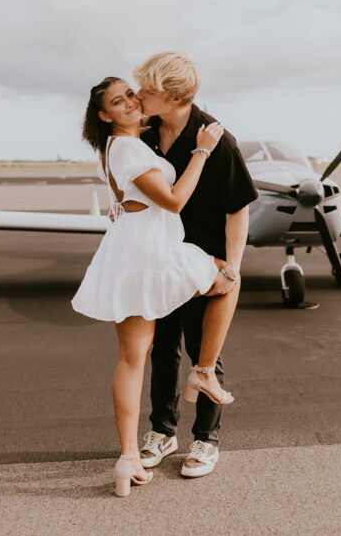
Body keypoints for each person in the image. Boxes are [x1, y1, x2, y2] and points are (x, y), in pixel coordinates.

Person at [71, 75, 241, 498]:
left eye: (131, 94)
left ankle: (129, 456)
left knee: (133, 359)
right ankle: (203, 373)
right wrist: (201, 150)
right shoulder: (128, 147)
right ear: (104, 114)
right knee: (228, 275)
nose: (130, 102)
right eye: (118, 101)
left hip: (128, 250)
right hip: (151, 252)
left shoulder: (116, 146)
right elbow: (174, 201)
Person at [134, 52, 257, 479]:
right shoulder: (144, 134)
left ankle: (206, 441)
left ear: (173, 96)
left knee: (205, 352)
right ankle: (163, 432)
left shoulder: (218, 141)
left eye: (146, 91)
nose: (138, 96)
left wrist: (232, 269)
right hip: (161, 259)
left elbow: (237, 209)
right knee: (162, 349)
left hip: (206, 261)